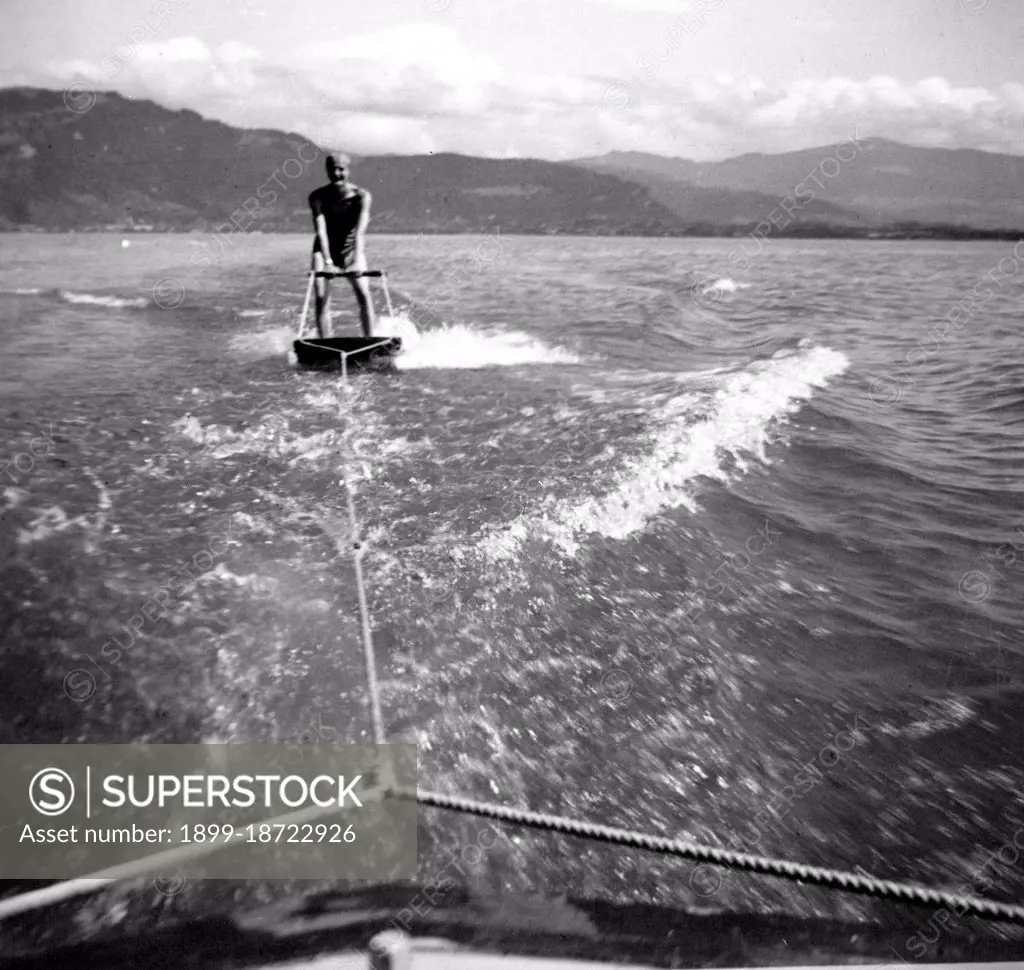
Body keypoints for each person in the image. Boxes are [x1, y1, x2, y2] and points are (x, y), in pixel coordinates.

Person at [307, 152, 375, 338]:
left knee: (363, 293)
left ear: (348, 171)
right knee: (321, 296)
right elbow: (320, 231)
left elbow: (360, 231)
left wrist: (354, 261)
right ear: (327, 171)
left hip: (351, 248)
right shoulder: (317, 197)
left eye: (341, 169)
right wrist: (328, 262)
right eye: (332, 169)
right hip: (323, 250)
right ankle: (325, 342)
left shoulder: (361, 197)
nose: (337, 173)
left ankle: (370, 339)